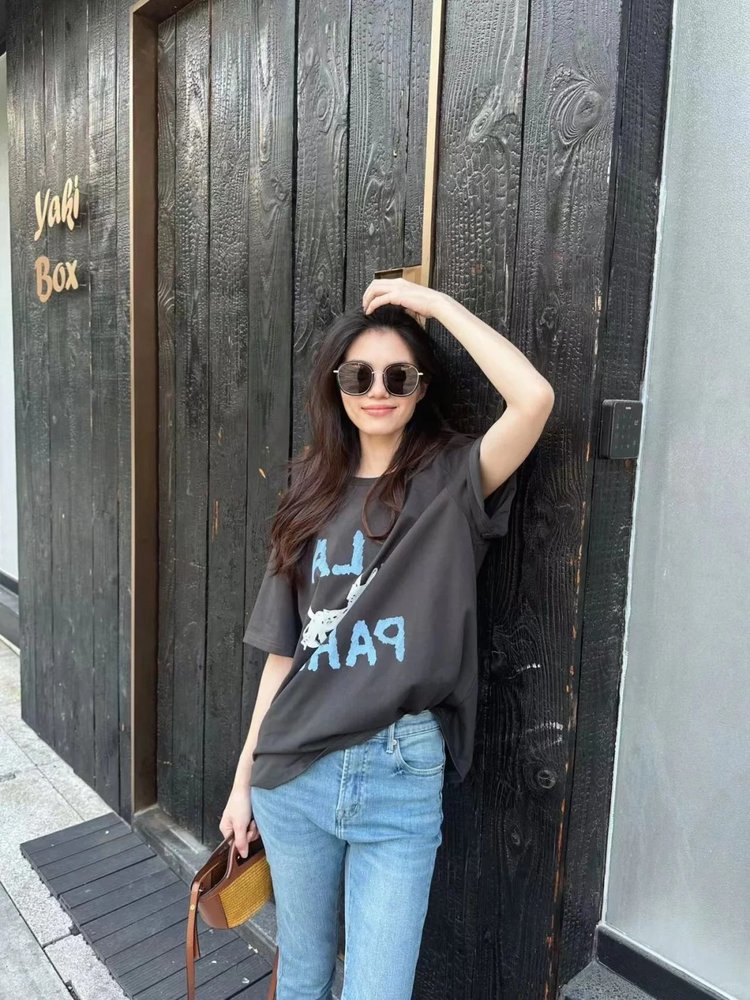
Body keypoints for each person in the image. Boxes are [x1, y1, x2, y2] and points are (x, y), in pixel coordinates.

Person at [219, 277, 554, 999]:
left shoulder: (454, 479)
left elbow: (533, 399)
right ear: (335, 386)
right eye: (358, 376)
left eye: (398, 376)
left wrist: (432, 307)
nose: (378, 391)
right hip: (293, 775)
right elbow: (283, 655)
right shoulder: (307, 494)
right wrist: (243, 784)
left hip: (401, 774)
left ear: (421, 387)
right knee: (301, 973)